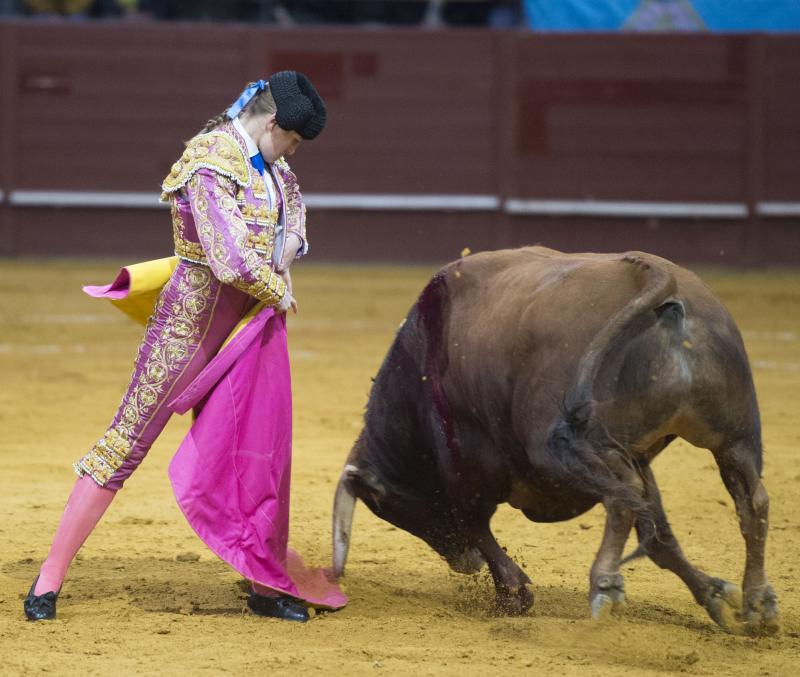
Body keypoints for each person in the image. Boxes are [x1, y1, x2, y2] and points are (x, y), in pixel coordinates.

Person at [24, 71, 343, 623]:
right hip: (188, 330)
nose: (292, 153)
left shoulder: (274, 165)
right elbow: (230, 259)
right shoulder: (208, 158)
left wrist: (290, 245)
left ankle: (262, 583)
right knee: (125, 444)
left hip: (244, 332)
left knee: (252, 451)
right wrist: (279, 289)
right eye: (290, 140)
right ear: (272, 123)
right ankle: (48, 579)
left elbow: (294, 208)